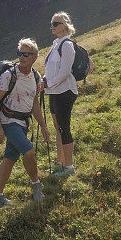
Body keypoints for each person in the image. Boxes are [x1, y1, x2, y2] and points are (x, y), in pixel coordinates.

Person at [0, 38, 50, 209]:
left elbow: (35, 104)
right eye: (19, 53)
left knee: (9, 159)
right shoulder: (9, 75)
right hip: (9, 121)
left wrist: (44, 126)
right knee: (29, 151)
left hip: (24, 123)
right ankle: (36, 185)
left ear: (34, 57)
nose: (21, 57)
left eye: (26, 54)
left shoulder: (36, 77)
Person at [44, 11, 79, 178]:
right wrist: (44, 81)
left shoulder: (66, 45)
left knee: (64, 128)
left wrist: (48, 83)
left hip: (64, 91)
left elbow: (65, 72)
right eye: (52, 23)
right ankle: (60, 162)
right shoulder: (56, 43)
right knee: (58, 128)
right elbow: (52, 70)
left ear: (65, 25)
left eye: (55, 23)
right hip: (54, 91)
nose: (52, 26)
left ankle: (69, 167)